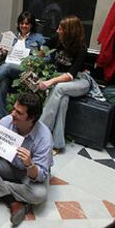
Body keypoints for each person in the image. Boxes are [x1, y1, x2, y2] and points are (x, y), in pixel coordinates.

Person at [0, 93, 53, 227]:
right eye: (13, 109)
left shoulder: (44, 137)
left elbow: (41, 175)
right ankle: (13, 202)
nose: (13, 114)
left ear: (31, 118)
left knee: (39, 194)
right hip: (9, 165)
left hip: (29, 174)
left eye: (19, 112)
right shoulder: (6, 121)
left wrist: (30, 164)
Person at [0, 11, 45, 118]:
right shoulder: (12, 37)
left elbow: (46, 57)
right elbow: (3, 57)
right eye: (21, 23)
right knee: (3, 80)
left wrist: (32, 58)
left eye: (27, 24)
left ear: (31, 25)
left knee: (6, 67)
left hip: (26, 71)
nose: (24, 26)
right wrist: (3, 52)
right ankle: (0, 116)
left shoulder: (38, 38)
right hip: (10, 69)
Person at [38, 15, 89, 151]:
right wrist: (38, 56)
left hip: (80, 81)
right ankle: (58, 144)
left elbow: (71, 75)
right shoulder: (57, 39)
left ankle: (39, 132)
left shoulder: (81, 48)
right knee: (63, 101)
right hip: (61, 79)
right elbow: (42, 51)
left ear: (69, 31)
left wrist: (50, 82)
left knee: (59, 88)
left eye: (61, 28)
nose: (57, 30)